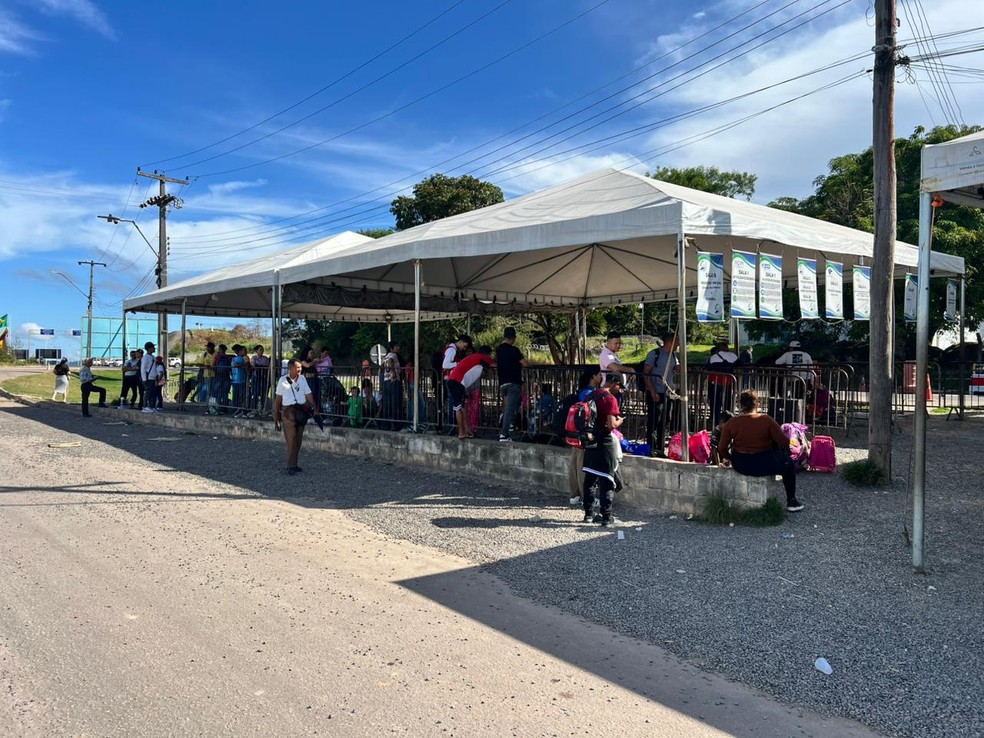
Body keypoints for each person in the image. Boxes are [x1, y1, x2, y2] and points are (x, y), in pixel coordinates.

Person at [717, 388, 805, 512]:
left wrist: (731, 458)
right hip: (765, 464)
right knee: (788, 464)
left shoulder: (732, 423)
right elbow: (784, 442)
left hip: (741, 464)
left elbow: (721, 448)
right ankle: (791, 501)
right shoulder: (766, 420)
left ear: (740, 405)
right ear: (757, 404)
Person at [581, 371, 625, 527]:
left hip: (590, 441)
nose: (620, 390)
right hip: (604, 442)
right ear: (615, 383)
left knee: (590, 479)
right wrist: (620, 421)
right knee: (607, 479)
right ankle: (606, 517)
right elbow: (611, 425)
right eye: (620, 387)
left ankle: (588, 514)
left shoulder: (591, 395)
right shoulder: (610, 399)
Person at [273, 358, 320, 476]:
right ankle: (290, 465)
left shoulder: (302, 379)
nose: (299, 369)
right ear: (290, 368)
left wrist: (315, 407)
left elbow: (308, 394)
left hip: (301, 410)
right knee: (291, 439)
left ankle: (294, 464)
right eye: (297, 367)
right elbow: (278, 400)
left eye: (300, 367)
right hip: (288, 412)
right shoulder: (282, 380)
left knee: (298, 439)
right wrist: (276, 417)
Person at [641, 333, 679, 458]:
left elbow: (676, 369)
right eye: (677, 342)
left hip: (668, 393)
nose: (678, 345)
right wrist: (652, 391)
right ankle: (651, 447)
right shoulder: (655, 354)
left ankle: (660, 447)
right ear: (670, 342)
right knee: (654, 420)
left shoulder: (674, 355)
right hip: (656, 391)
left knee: (665, 420)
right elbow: (646, 373)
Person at [447, 345, 495, 440]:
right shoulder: (481, 357)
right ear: (487, 354)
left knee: (463, 406)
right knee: (458, 408)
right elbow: (494, 365)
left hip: (456, 381)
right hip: (458, 382)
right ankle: (461, 432)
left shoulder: (475, 358)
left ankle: (466, 429)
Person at [496, 327, 528, 442]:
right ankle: (504, 433)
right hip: (513, 382)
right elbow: (525, 363)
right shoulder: (514, 350)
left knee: (508, 407)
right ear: (513, 338)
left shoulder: (499, 349)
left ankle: (508, 426)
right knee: (511, 408)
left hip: (503, 382)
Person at [441, 334, 473, 433]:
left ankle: (454, 426)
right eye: (465, 346)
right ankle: (453, 426)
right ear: (461, 342)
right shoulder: (452, 350)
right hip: (450, 379)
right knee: (454, 404)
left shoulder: (453, 350)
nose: (464, 349)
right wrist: (458, 364)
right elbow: (445, 364)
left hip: (451, 379)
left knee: (455, 403)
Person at [707, 340, 741, 426]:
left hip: (715, 382)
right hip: (728, 382)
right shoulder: (732, 355)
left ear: (718, 349)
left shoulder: (713, 357)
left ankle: (715, 421)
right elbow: (740, 363)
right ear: (727, 348)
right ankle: (727, 421)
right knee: (727, 402)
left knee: (715, 403)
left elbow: (707, 367)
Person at [381, 341, 404, 431]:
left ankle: (386, 424)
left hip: (386, 381)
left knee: (387, 403)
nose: (398, 348)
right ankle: (396, 424)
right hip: (393, 380)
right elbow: (390, 362)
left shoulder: (386, 355)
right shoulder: (393, 355)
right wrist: (393, 372)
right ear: (392, 348)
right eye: (396, 346)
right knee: (395, 402)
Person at [249, 344, 270, 414]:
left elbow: (267, 366)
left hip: (263, 377)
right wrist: (259, 367)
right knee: (255, 393)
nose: (262, 351)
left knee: (264, 394)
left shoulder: (265, 358)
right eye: (260, 349)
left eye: (262, 349)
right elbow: (253, 365)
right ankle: (254, 408)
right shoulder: (253, 358)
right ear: (256, 350)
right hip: (256, 377)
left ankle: (264, 409)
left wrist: (258, 366)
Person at [231, 344, 248, 417]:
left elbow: (246, 366)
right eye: (243, 350)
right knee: (237, 396)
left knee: (240, 396)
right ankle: (237, 410)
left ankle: (240, 410)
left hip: (240, 380)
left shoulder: (242, 358)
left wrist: (240, 365)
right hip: (237, 380)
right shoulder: (237, 358)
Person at [140, 341, 158, 413]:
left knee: (153, 393)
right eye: (153, 347)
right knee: (148, 392)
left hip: (153, 377)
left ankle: (152, 406)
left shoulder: (153, 357)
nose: (154, 348)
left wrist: (156, 377)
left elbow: (155, 368)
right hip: (148, 378)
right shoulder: (145, 358)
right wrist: (144, 378)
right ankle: (145, 406)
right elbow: (143, 369)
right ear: (149, 348)